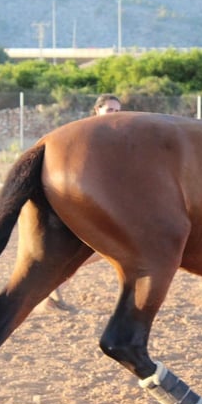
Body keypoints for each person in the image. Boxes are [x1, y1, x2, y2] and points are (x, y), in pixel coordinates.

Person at [35, 94, 121, 312]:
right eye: (110, 110)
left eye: (117, 111)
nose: (114, 115)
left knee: (96, 251)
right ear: (97, 110)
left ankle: (50, 291)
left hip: (89, 202)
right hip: (76, 200)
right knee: (100, 249)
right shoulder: (86, 134)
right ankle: (48, 289)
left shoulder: (114, 138)